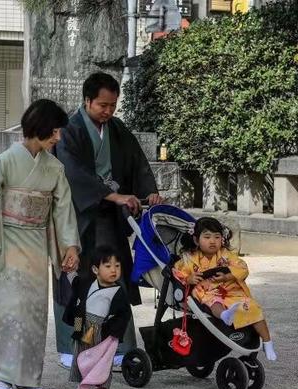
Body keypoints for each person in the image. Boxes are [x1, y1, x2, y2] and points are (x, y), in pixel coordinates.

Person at [0, 99, 81, 389]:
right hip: (8, 241)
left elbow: (63, 210)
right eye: (54, 132)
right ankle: (3, 375)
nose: (58, 138)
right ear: (40, 129)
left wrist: (70, 246)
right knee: (12, 310)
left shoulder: (54, 168)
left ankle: (29, 376)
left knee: (35, 310)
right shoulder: (5, 161)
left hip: (37, 242)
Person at [55, 72, 163, 364]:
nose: (108, 111)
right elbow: (71, 172)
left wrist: (149, 191)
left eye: (113, 106)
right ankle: (72, 347)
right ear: (87, 100)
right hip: (77, 218)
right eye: (103, 105)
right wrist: (112, 195)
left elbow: (137, 162)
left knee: (114, 278)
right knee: (77, 284)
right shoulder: (69, 130)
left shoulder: (117, 129)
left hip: (110, 222)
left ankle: (119, 346)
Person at [173, 217, 277, 361]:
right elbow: (178, 272)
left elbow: (242, 267)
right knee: (214, 302)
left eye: (217, 237)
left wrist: (227, 276)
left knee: (253, 308)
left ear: (222, 239)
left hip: (229, 290)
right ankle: (225, 315)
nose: (212, 241)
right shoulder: (189, 259)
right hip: (207, 291)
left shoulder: (225, 255)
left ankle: (267, 342)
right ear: (196, 240)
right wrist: (189, 279)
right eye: (207, 237)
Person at [68, 245, 130, 389]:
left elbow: (124, 314)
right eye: (108, 266)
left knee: (104, 363)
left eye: (117, 266)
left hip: (104, 330)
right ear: (95, 269)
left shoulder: (118, 291)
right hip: (84, 324)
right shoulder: (87, 284)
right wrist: (77, 329)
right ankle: (83, 386)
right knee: (82, 356)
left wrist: (114, 332)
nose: (114, 270)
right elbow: (75, 287)